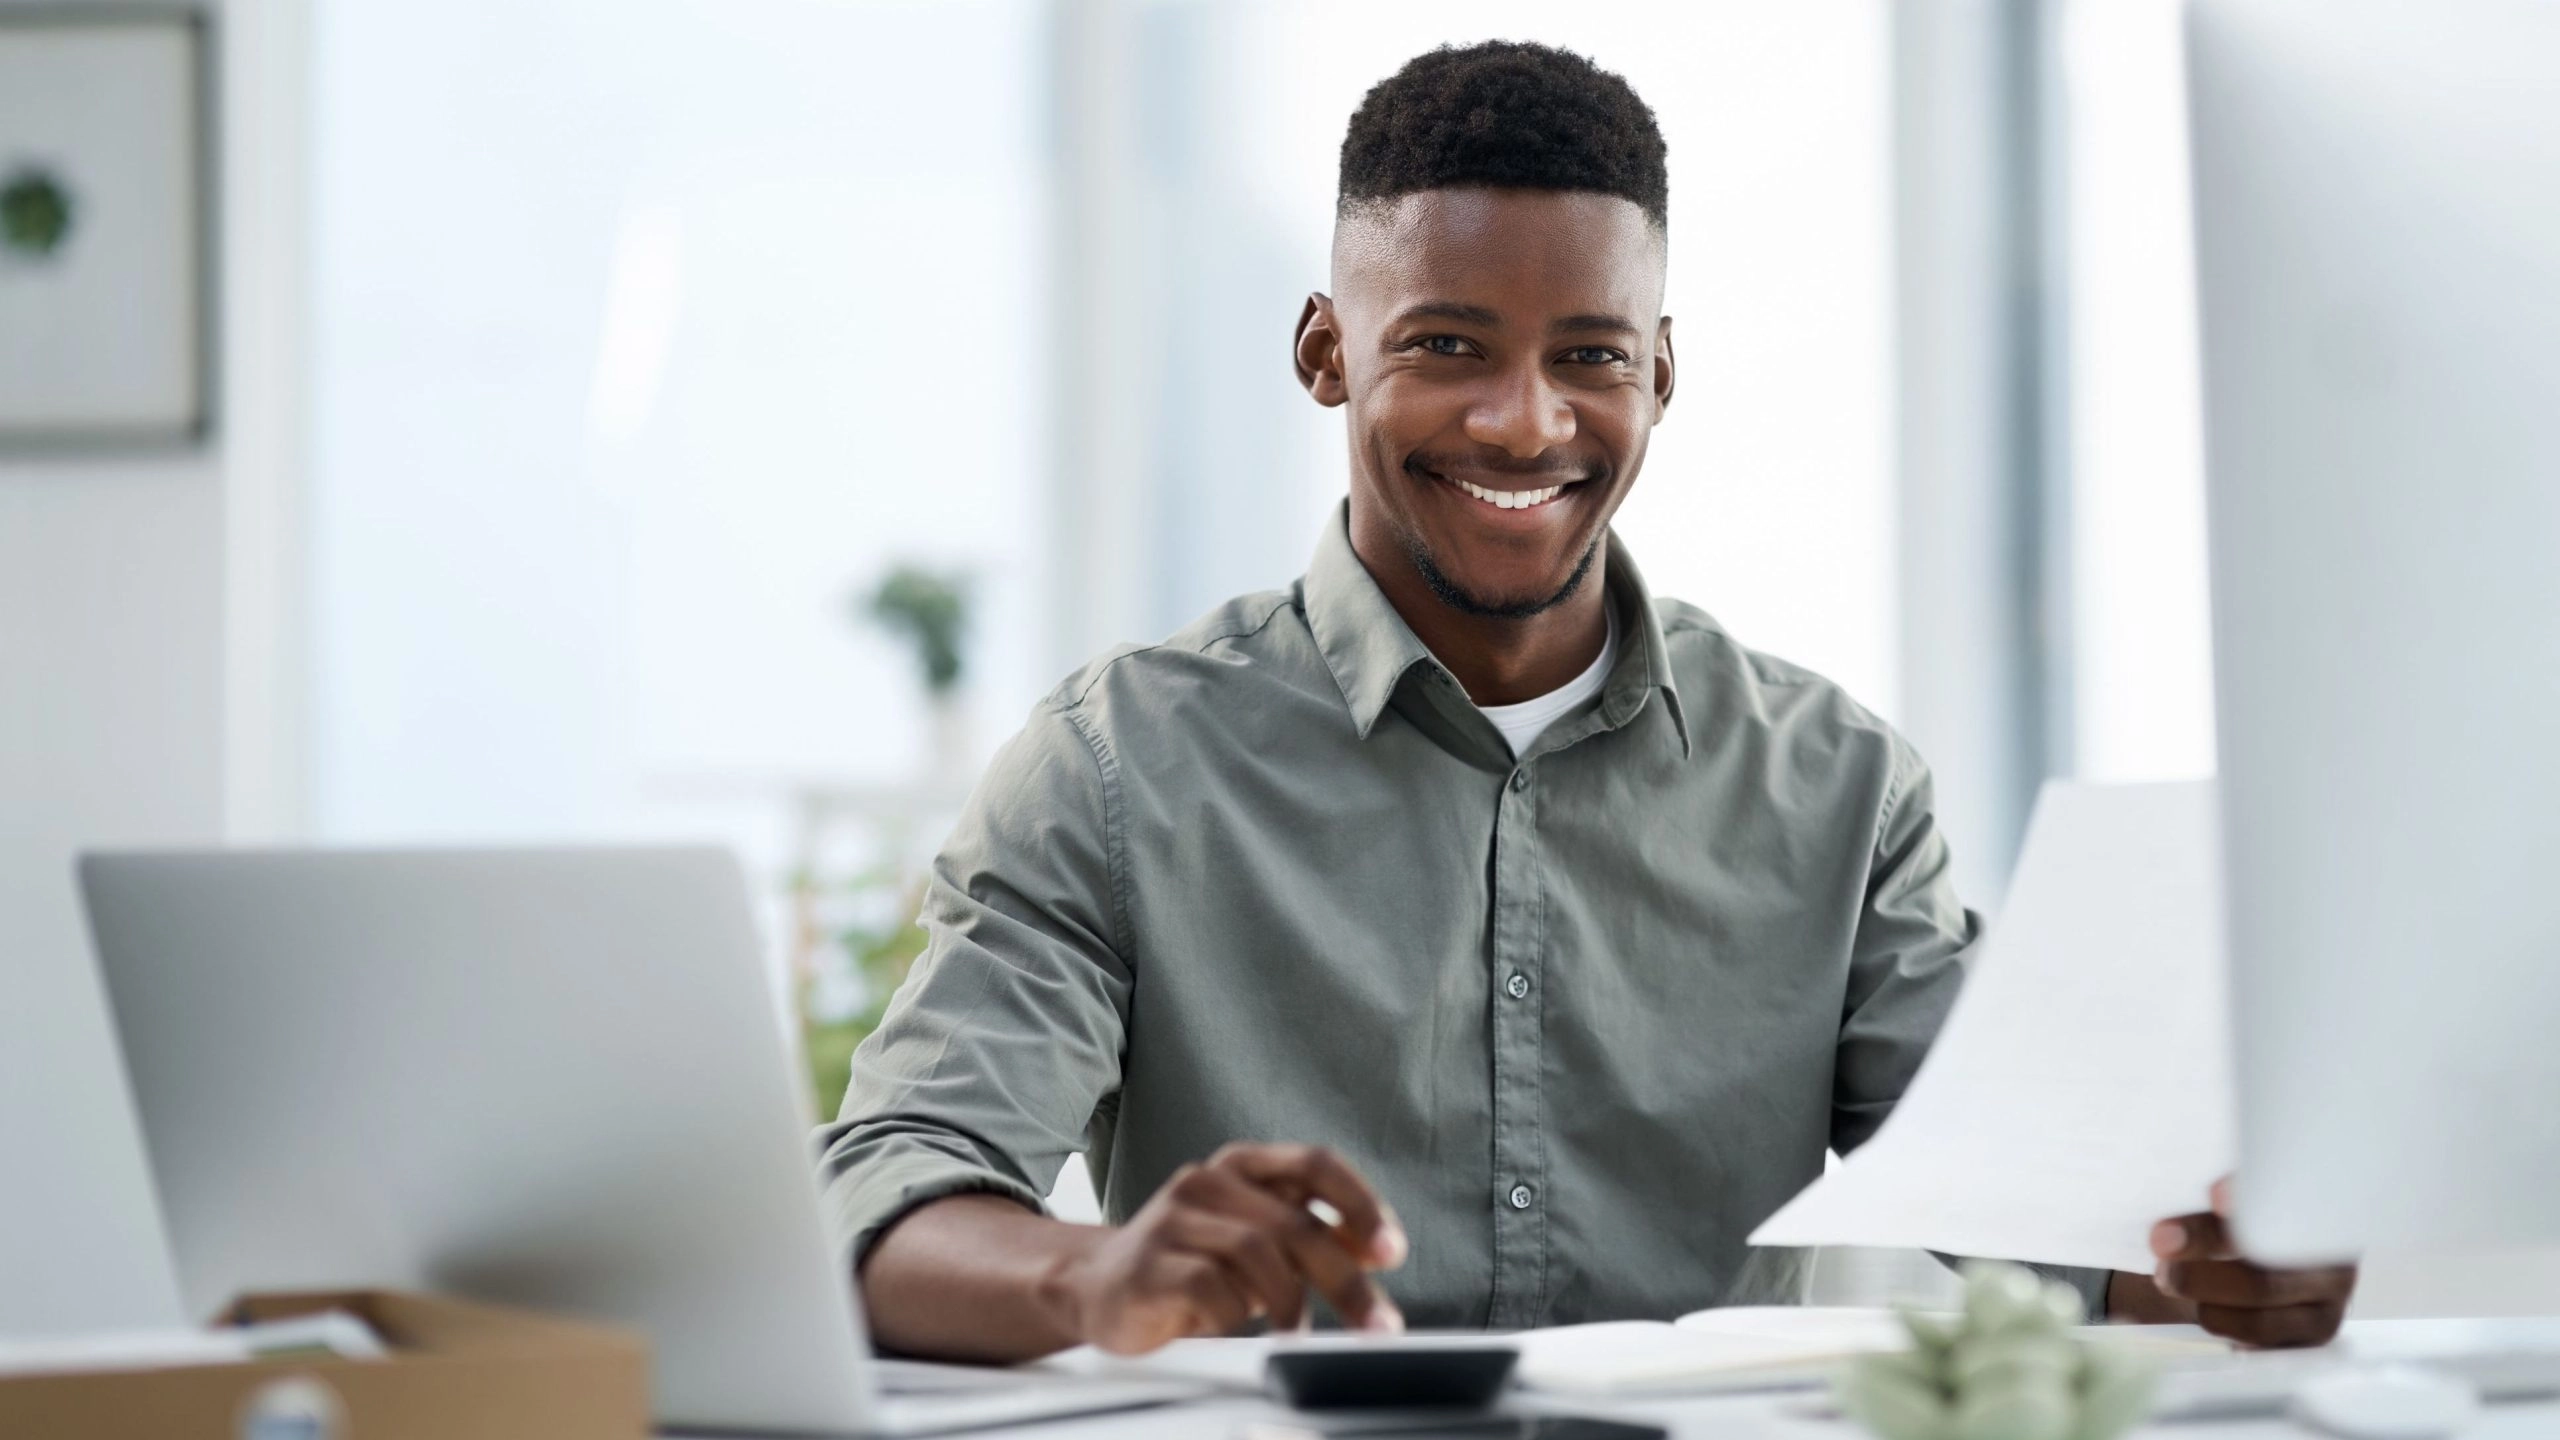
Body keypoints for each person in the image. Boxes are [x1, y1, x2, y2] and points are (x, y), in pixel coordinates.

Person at [816, 40, 2356, 1362]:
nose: (1524, 421)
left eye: (1591, 356)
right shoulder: (1118, 765)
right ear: (1325, 351)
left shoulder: (1838, 788)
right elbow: (886, 1194)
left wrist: (2221, 1270)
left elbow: (2047, 1218)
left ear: (1659, 377)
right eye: (1446, 346)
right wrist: (1095, 1277)